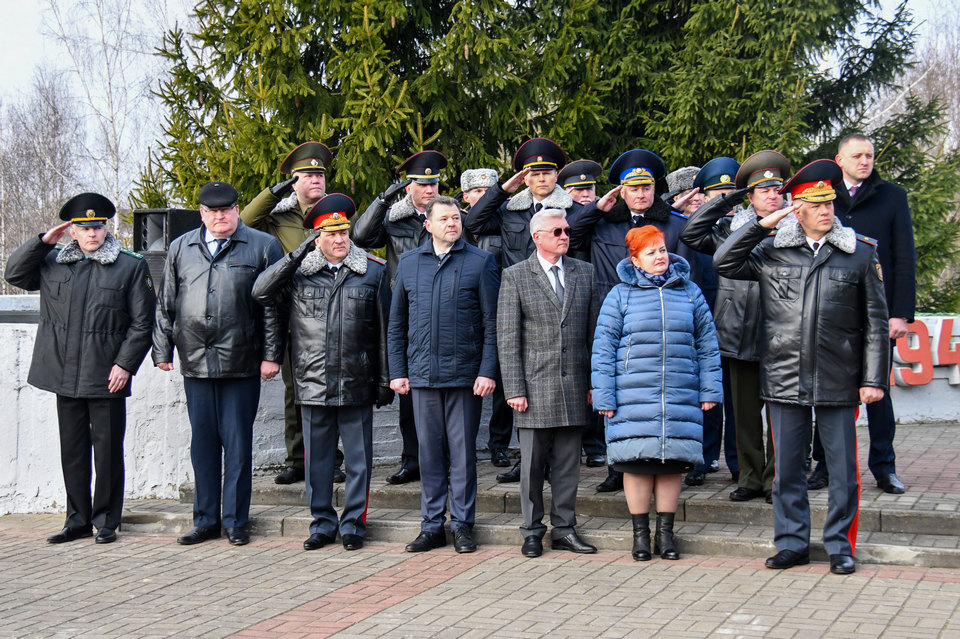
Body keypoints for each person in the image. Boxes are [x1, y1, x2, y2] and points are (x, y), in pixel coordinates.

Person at [714, 159, 889, 575]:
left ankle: (839, 546)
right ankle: (791, 542)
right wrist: (760, 224)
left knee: (844, 471)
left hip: (839, 377)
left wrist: (873, 379)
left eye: (829, 202)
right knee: (788, 470)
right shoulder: (771, 251)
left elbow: (876, 324)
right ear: (797, 207)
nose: (826, 210)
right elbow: (723, 260)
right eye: (815, 203)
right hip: (784, 374)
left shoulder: (859, 253)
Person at [4, 193, 155, 545]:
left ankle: (105, 520)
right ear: (72, 231)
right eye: (84, 228)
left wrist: (125, 365)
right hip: (63, 373)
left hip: (106, 376)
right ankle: (77, 520)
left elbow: (143, 323)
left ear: (107, 229)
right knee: (72, 451)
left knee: (107, 452)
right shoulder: (53, 261)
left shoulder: (129, 266)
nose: (92, 234)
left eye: (98, 227)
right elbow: (14, 273)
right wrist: (42, 242)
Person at [252, 194, 391, 551]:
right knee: (317, 462)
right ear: (317, 237)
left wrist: (384, 380)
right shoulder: (299, 273)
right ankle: (322, 523)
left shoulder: (372, 271)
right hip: (312, 382)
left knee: (359, 462)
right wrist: (297, 255)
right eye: (331, 234)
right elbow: (261, 291)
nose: (341, 239)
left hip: (356, 380)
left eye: (344, 232)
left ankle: (354, 525)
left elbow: (384, 330)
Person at [153, 181, 284, 547]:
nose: (219, 216)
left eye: (225, 210)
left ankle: (236, 522)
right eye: (211, 211)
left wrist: (271, 354)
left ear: (237, 210)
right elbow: (167, 302)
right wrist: (162, 349)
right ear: (201, 214)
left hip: (241, 362)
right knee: (203, 446)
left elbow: (274, 308)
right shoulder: (181, 247)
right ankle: (205, 520)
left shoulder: (262, 245)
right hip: (195, 362)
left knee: (238, 446)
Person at [592, 225, 722, 561]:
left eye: (662, 249)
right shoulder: (620, 295)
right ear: (635, 259)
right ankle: (639, 536)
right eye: (651, 252)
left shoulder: (690, 292)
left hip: (680, 391)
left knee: (671, 464)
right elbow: (603, 349)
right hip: (632, 394)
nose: (660, 257)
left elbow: (707, 344)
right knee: (636, 463)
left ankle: (666, 535)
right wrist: (604, 395)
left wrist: (709, 389)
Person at [568, 148, 689, 493]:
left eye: (646, 187)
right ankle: (616, 466)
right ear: (620, 191)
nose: (640, 194)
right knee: (614, 395)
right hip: (611, 319)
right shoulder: (603, 222)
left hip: (657, 321)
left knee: (654, 394)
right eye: (632, 188)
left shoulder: (673, 225)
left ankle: (659, 461)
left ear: (654, 189)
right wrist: (594, 209)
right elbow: (570, 236)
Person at [463, 138, 580, 484]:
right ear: (525, 178)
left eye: (547, 172)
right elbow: (474, 223)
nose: (541, 178)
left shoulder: (569, 210)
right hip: (519, 304)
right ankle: (526, 457)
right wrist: (501, 190)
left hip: (558, 304)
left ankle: (553, 459)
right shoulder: (511, 211)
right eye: (534, 173)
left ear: (556, 175)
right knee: (517, 382)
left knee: (552, 379)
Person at [388, 195, 500, 554]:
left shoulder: (481, 262)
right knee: (429, 454)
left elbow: (491, 323)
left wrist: (487, 371)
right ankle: (431, 525)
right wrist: (397, 371)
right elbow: (396, 324)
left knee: (463, 454)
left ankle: (463, 525)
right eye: (445, 219)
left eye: (456, 218)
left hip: (466, 377)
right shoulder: (408, 264)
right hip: (421, 377)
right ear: (428, 225)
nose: (452, 223)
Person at [680, 150, 792, 504]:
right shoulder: (731, 227)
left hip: (782, 335)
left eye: (777, 189)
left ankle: (777, 479)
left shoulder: (794, 231)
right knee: (743, 415)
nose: (772, 195)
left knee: (780, 415)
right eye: (763, 191)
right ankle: (750, 477)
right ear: (751, 196)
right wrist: (728, 198)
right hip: (737, 331)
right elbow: (692, 232)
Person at [807, 133, 915, 495]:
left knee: (878, 393)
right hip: (832, 313)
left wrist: (900, 314)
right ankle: (822, 465)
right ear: (840, 160)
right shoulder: (822, 195)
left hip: (876, 313)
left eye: (869, 155)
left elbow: (903, 257)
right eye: (857, 156)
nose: (865, 161)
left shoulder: (892, 197)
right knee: (827, 393)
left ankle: (884, 468)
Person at [498, 208, 599, 558]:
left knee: (568, 465)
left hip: (574, 384)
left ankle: (565, 529)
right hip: (533, 387)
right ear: (537, 236)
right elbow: (508, 338)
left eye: (567, 231)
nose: (565, 236)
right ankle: (531, 531)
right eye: (557, 231)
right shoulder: (515, 276)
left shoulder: (584, 272)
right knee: (532, 466)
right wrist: (514, 388)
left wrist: (593, 382)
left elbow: (593, 334)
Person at [240, 142, 343, 486]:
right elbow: (245, 221)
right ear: (295, 180)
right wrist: (278, 190)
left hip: (330, 313)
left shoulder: (336, 215)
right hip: (293, 314)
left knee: (330, 389)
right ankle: (297, 459)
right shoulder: (279, 217)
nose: (317, 180)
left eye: (320, 175)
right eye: (309, 175)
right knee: (294, 391)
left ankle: (332, 459)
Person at [352, 150, 448, 486]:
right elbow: (361, 236)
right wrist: (383, 200)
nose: (429, 189)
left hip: (442, 312)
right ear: (409, 187)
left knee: (443, 392)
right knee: (408, 394)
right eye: (421, 184)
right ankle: (412, 460)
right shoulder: (395, 219)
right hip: (405, 312)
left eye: (433, 183)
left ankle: (441, 461)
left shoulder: (450, 218)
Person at [677, 157, 742, 486]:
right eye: (718, 194)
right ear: (704, 198)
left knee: (738, 401)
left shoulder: (749, 229)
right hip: (704, 327)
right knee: (707, 397)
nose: (725, 200)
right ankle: (703, 459)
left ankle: (738, 463)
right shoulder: (700, 233)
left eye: (731, 192)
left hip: (739, 327)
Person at [459, 167, 512, 468]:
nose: (483, 199)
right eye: (477, 193)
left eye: (488, 192)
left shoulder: (508, 220)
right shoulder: (459, 223)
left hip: (500, 306)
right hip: (467, 311)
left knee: (502, 381)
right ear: (466, 197)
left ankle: (499, 444)